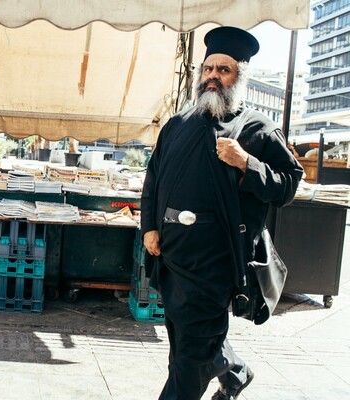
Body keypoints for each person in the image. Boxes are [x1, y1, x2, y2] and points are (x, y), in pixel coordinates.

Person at [140, 27, 303, 400]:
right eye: (208, 68)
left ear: (239, 76)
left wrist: (247, 163)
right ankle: (237, 372)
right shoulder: (177, 124)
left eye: (223, 70)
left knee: (190, 361)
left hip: (216, 265)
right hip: (172, 258)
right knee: (184, 346)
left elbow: (290, 183)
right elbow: (153, 179)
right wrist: (148, 227)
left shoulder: (258, 129)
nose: (213, 76)